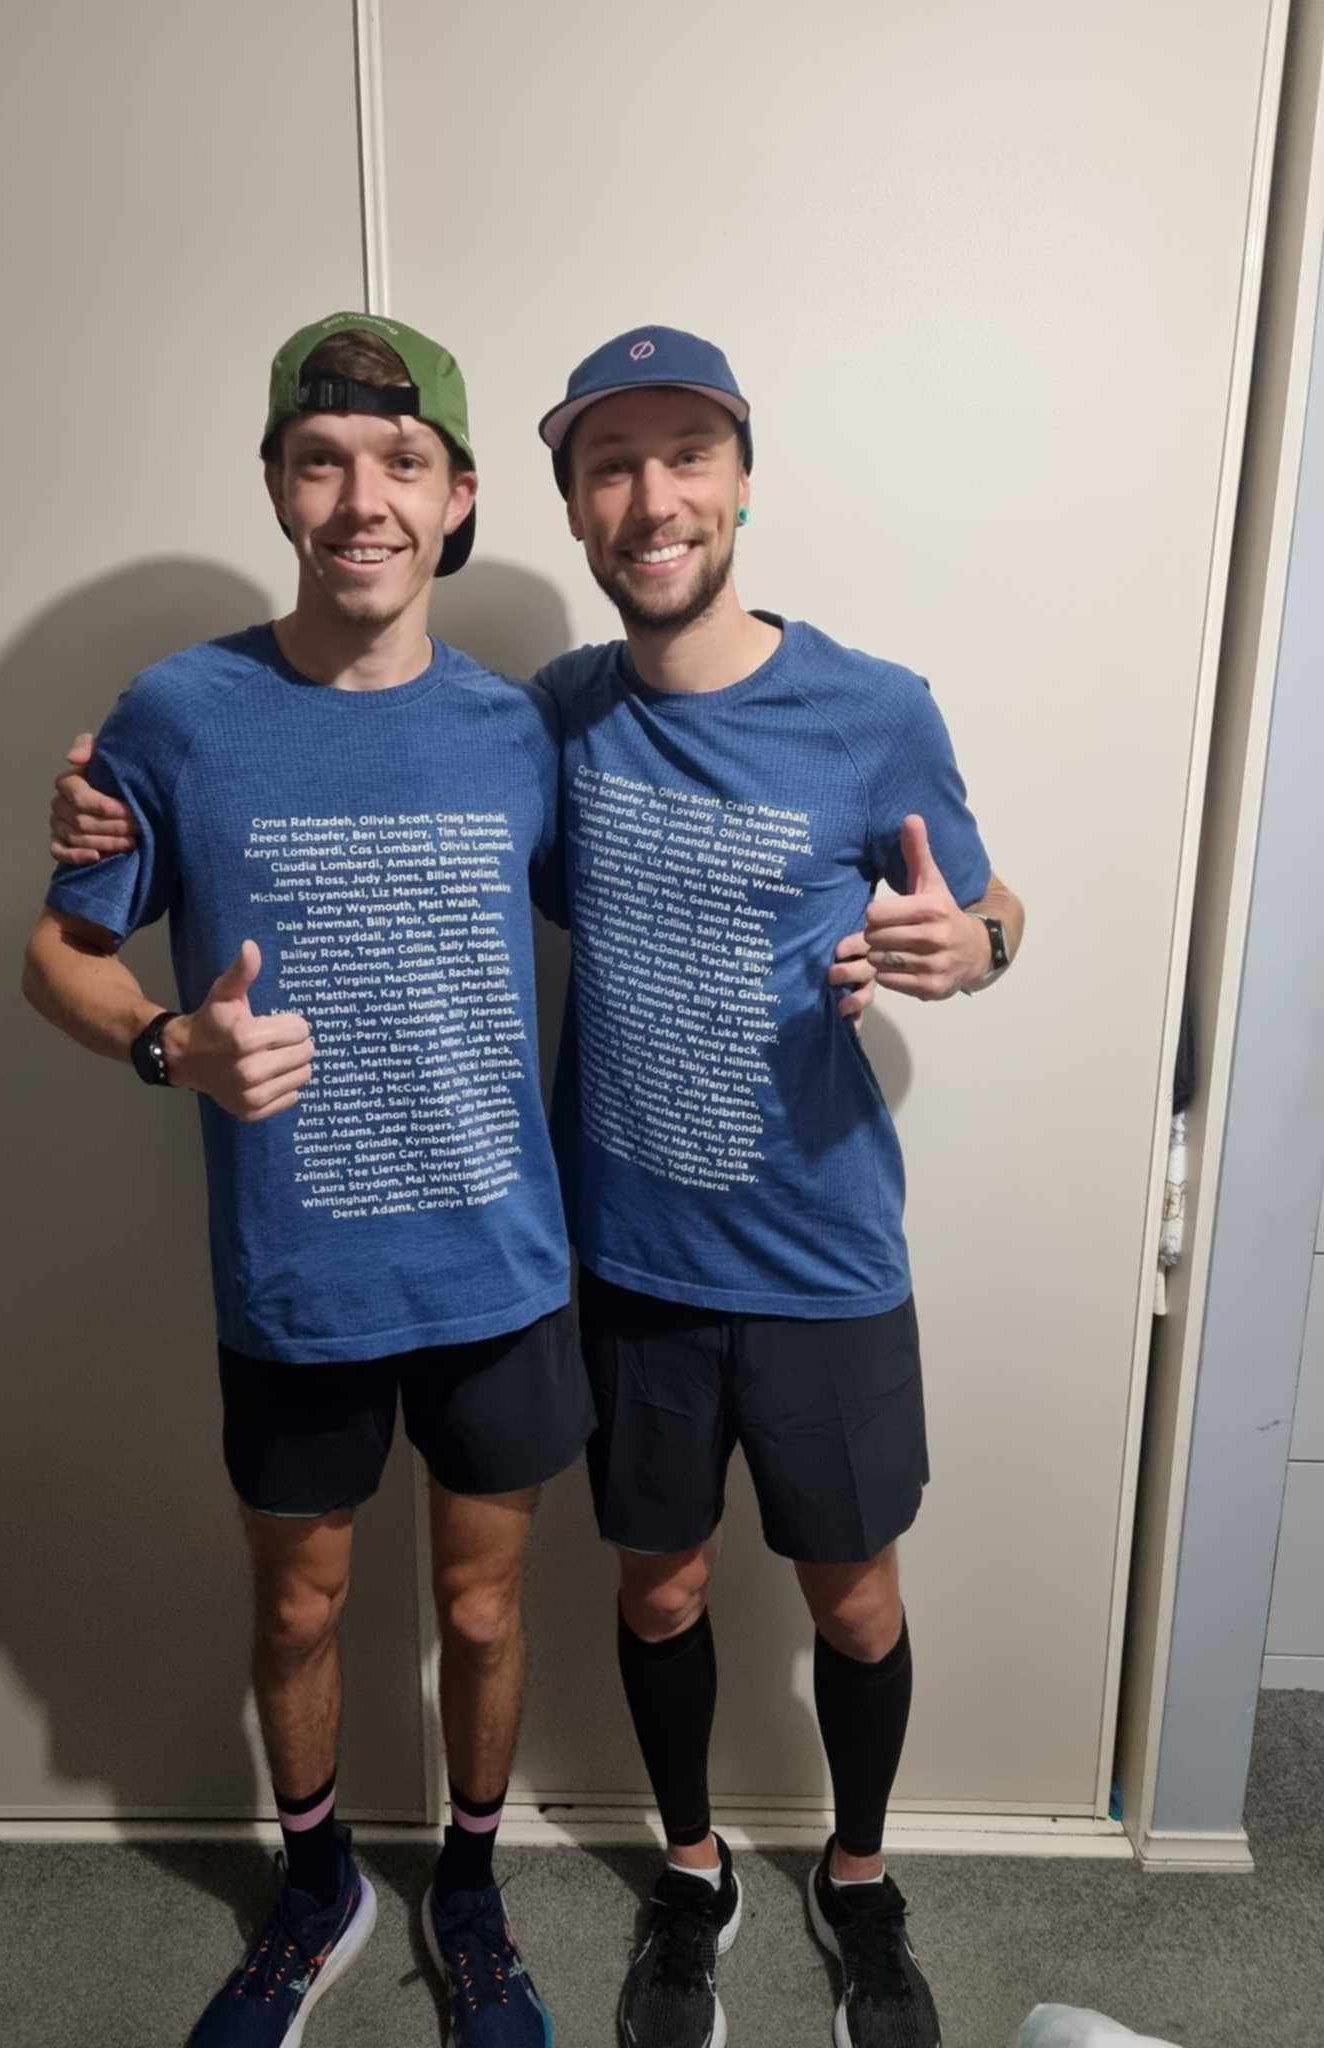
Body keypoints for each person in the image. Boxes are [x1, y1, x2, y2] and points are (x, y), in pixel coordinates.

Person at [22, 311, 598, 2048]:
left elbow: (657, 889)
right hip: (297, 1280)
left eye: (403, 464)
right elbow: (58, 955)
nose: (364, 500)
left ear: (458, 498)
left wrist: (951, 928)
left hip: (501, 1269)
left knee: (484, 1608)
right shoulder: (177, 715)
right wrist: (165, 1045)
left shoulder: (521, 731)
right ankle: (320, 1882)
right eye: (324, 461)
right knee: (300, 1606)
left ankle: (472, 1891)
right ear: (278, 485)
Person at [533, 325, 1024, 2048]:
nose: (653, 497)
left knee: (856, 1600)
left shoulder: (874, 710)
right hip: (634, 1267)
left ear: (741, 478)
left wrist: (975, 945)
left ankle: (860, 1878)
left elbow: (993, 905)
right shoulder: (560, 715)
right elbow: (417, 798)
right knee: (657, 1589)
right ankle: (694, 1872)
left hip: (823, 1264)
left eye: (687, 453)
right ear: (574, 508)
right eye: (612, 464)